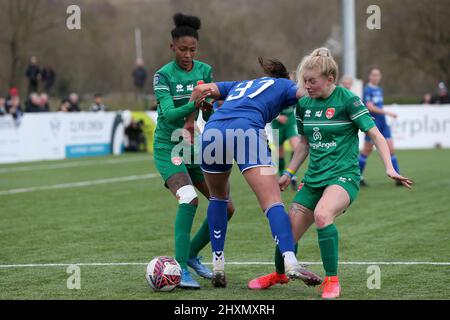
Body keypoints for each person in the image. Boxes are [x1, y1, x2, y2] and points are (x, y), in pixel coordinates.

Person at [247, 48, 413, 299]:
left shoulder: (348, 100)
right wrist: (289, 173)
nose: (306, 86)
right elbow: (303, 144)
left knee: (323, 215)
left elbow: (375, 135)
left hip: (343, 177)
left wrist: (389, 168)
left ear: (330, 79)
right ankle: (280, 275)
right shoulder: (303, 104)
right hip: (313, 179)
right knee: (285, 232)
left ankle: (332, 280)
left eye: (312, 81)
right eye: (304, 81)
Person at [194, 57, 322, 288]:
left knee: (218, 197)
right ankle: (291, 262)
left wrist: (202, 109)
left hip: (213, 131)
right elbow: (310, 92)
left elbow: (201, 89)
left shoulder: (240, 84)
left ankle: (218, 265)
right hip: (245, 129)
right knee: (272, 201)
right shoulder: (285, 85)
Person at [152, 13, 235, 289]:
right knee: (188, 199)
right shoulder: (162, 76)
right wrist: (193, 100)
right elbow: (167, 113)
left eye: (192, 50)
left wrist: (209, 108)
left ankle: (191, 255)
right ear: (172, 47)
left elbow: (209, 114)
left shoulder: (204, 71)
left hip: (193, 146)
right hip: (169, 146)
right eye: (182, 49)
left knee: (226, 206)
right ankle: (178, 269)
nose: (188, 55)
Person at [358, 67, 401, 187]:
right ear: (370, 76)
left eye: (378, 75)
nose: (376, 77)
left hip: (383, 123)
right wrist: (387, 112)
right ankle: (357, 177)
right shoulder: (367, 90)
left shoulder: (380, 89)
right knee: (367, 150)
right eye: (374, 75)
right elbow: (370, 107)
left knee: (391, 149)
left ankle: (398, 177)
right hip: (373, 123)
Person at [270, 71, 301, 190]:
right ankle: (283, 175)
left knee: (297, 147)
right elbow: (269, 107)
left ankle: (292, 175)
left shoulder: (296, 91)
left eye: (292, 79)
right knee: (280, 152)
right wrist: (278, 116)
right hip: (277, 124)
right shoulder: (275, 92)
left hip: (290, 122)